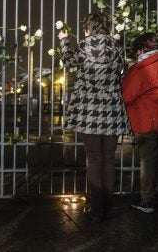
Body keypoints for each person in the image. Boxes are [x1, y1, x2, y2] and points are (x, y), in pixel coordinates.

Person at [58, 12, 131, 221]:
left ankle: (97, 208)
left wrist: (64, 41)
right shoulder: (116, 47)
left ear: (88, 27)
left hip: (89, 111)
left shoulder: (84, 45)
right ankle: (107, 207)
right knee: (108, 160)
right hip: (111, 110)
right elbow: (121, 71)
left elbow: (68, 60)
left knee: (94, 160)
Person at [122, 32, 158, 213]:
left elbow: (127, 95)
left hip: (147, 122)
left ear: (143, 49)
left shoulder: (142, 69)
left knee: (147, 161)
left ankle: (147, 201)